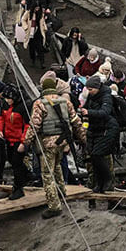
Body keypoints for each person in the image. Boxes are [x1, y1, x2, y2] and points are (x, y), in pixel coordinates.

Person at [26, 78, 85, 218]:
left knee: (47, 173)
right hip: (63, 142)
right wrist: (83, 138)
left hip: (48, 143)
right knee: (57, 165)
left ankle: (54, 206)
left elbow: (35, 125)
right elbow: (76, 121)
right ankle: (61, 191)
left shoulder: (39, 103)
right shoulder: (66, 102)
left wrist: (26, 142)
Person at [81, 76, 117, 194]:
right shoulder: (92, 96)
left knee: (97, 155)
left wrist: (89, 112)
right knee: (94, 158)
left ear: (97, 88)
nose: (89, 92)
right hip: (96, 129)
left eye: (91, 89)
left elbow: (105, 112)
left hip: (107, 129)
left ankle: (107, 180)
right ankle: (99, 184)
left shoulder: (106, 96)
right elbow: (86, 107)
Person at [0, 86, 30, 200]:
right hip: (8, 139)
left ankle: (18, 188)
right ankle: (27, 176)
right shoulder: (6, 105)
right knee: (11, 160)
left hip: (18, 140)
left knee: (16, 164)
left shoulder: (22, 108)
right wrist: (0, 130)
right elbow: (2, 118)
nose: (7, 101)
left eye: (9, 99)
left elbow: (27, 126)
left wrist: (23, 142)